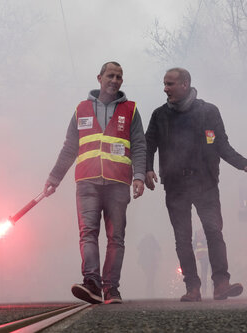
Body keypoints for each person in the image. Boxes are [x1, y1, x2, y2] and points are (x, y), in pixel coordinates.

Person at [145, 67, 247, 302]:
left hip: (205, 182)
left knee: (214, 231)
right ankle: (192, 288)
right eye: (164, 84)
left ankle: (221, 284)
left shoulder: (208, 112)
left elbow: (223, 146)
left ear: (185, 84)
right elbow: (149, 144)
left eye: (170, 84)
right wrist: (146, 169)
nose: (165, 89)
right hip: (175, 185)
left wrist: (244, 164)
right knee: (182, 237)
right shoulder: (159, 115)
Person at [44, 61, 147, 304]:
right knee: (88, 233)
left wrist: (139, 176)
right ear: (99, 78)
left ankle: (111, 288)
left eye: (119, 77)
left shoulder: (130, 110)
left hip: (118, 182)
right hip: (87, 182)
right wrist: (54, 178)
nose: (115, 80)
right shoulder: (81, 110)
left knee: (116, 237)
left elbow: (140, 145)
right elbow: (70, 147)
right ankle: (92, 283)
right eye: (110, 75)